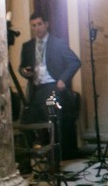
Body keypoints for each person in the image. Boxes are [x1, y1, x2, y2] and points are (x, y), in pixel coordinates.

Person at [19, 12, 81, 155]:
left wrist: (63, 79)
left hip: (52, 86)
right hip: (35, 88)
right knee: (25, 122)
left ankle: (54, 161)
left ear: (46, 24)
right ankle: (28, 163)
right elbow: (22, 67)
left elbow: (75, 62)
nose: (37, 28)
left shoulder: (58, 43)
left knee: (52, 122)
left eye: (40, 24)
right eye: (34, 25)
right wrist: (24, 72)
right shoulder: (27, 46)